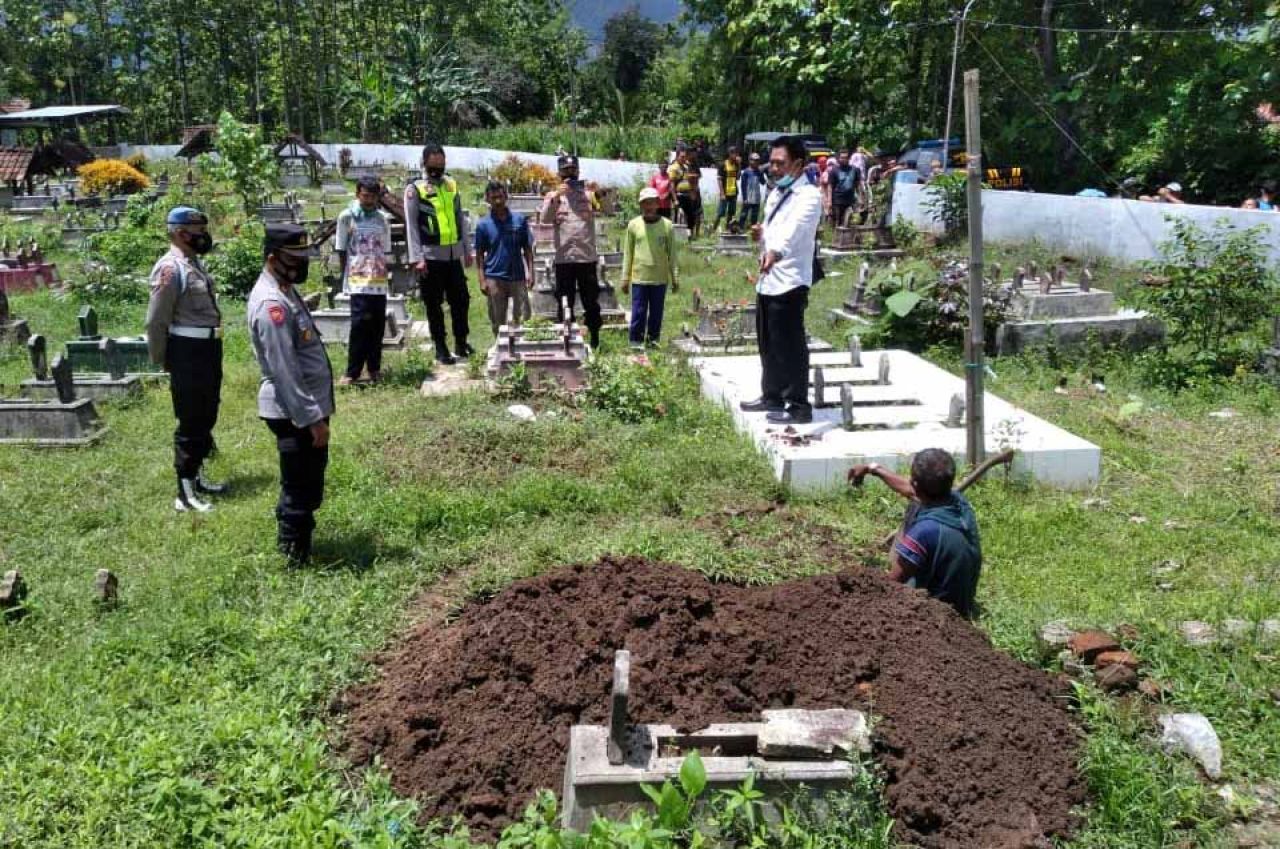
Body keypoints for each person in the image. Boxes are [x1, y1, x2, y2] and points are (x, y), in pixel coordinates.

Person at [247, 223, 334, 567]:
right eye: (294, 258)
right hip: (293, 412)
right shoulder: (272, 305)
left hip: (301, 408)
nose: (302, 264)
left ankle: (298, 546)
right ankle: (295, 559)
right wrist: (312, 419)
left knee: (307, 480)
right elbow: (285, 371)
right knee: (299, 484)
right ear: (273, 259)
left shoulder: (284, 289)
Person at [145, 206, 226, 513]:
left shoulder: (194, 264)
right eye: (198, 231)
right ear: (180, 233)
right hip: (187, 352)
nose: (204, 236)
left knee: (208, 413)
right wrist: (162, 357)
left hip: (208, 349)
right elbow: (156, 320)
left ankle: (197, 476)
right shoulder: (170, 268)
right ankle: (184, 493)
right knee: (191, 419)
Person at [739, 135, 824, 425]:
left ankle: (798, 404)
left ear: (798, 164)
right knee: (768, 341)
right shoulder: (776, 193)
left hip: (790, 280)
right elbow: (775, 228)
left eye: (780, 163)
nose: (772, 168)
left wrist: (776, 251)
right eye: (771, 162)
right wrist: (761, 236)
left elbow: (797, 231)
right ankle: (771, 395)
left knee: (789, 344)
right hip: (768, 279)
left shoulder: (809, 196)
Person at [847, 449, 983, 618]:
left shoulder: (924, 531)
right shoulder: (958, 501)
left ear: (916, 483)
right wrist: (872, 468)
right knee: (916, 504)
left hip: (940, 613)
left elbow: (891, 585)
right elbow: (911, 491)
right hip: (964, 599)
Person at [405, 142, 474, 365]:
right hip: (430, 258)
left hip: (453, 256)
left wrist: (467, 248)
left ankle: (461, 343)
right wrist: (417, 258)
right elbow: (412, 226)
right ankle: (441, 346)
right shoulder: (415, 189)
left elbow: (460, 218)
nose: (437, 170)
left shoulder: (451, 185)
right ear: (424, 164)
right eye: (432, 166)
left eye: (440, 165)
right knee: (433, 304)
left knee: (461, 300)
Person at [540, 154, 603, 348]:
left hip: (586, 258)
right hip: (564, 259)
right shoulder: (553, 196)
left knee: (591, 300)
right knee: (564, 301)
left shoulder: (589, 194)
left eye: (573, 169)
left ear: (578, 171)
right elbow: (544, 219)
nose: (570, 174)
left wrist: (601, 195)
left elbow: (608, 210)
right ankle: (566, 338)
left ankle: (594, 337)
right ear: (559, 173)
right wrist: (557, 196)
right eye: (566, 170)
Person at [334, 176, 392, 386]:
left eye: (373, 196)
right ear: (358, 194)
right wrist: (345, 280)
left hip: (378, 280)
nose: (369, 200)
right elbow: (341, 249)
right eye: (365, 196)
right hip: (357, 281)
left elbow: (385, 250)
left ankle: (374, 369)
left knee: (377, 325)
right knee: (359, 326)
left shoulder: (382, 219)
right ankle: (352, 372)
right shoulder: (346, 217)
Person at [474, 180, 535, 335]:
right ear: (487, 199)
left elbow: (527, 249)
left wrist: (531, 273)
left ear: (506, 196)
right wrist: (482, 280)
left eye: (500, 197)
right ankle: (501, 350)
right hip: (494, 277)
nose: (498, 201)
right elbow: (480, 255)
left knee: (522, 318)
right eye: (493, 198)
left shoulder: (519, 220)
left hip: (517, 276)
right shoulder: (483, 225)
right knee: (498, 321)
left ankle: (522, 349)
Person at [622, 187, 679, 349]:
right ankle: (635, 341)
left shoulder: (667, 226)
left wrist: (675, 277)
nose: (649, 206)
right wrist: (625, 278)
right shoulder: (633, 225)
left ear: (657, 204)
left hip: (659, 278)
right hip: (640, 277)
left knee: (656, 313)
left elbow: (672, 254)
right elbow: (628, 253)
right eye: (645, 203)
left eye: (652, 203)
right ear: (641, 205)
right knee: (638, 311)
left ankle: (653, 341)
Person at [668, 147, 702, 239]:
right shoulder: (674, 168)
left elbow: (692, 179)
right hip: (679, 196)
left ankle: (689, 235)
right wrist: (675, 200)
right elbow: (671, 185)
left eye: (684, 157)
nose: (684, 158)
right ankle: (677, 237)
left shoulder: (686, 167)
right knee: (679, 216)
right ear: (677, 156)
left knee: (691, 216)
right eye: (682, 157)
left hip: (689, 196)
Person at [713, 146, 741, 232]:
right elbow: (719, 179)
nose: (736, 155)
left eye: (737, 153)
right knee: (721, 212)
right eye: (734, 153)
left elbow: (738, 177)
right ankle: (713, 229)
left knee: (731, 213)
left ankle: (728, 229)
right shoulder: (723, 164)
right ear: (729, 154)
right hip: (725, 192)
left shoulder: (736, 165)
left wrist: (739, 165)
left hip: (733, 192)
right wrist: (722, 193)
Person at [830, 149, 860, 228]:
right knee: (838, 222)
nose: (844, 159)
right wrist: (829, 201)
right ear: (838, 159)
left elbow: (858, 184)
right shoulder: (834, 170)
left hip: (850, 200)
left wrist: (860, 198)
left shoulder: (855, 170)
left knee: (851, 221)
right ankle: (837, 239)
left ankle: (848, 239)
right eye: (842, 157)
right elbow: (830, 187)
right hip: (838, 200)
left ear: (849, 158)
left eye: (846, 157)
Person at [737, 152, 767, 228]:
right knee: (744, 214)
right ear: (750, 160)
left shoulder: (758, 171)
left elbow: (763, 182)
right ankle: (740, 228)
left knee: (754, 215)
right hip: (748, 197)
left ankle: (753, 230)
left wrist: (761, 173)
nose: (756, 162)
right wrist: (745, 198)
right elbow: (743, 186)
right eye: (754, 160)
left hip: (756, 197)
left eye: (757, 160)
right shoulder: (746, 172)